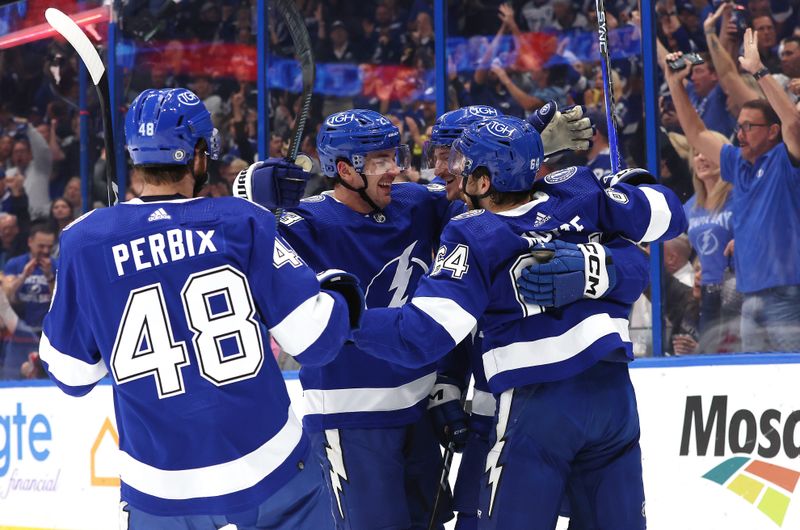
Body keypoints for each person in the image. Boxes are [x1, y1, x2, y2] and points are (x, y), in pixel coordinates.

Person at [38, 88, 364, 529]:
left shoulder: (85, 241)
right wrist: (339, 293)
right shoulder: (242, 220)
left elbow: (72, 377)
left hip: (159, 490)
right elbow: (315, 341)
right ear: (198, 155)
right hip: (270, 472)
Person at [351, 116, 687, 529]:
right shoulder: (577, 188)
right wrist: (631, 189)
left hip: (536, 405)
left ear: (484, 182)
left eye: (461, 162)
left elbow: (423, 332)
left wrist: (347, 319)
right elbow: (669, 215)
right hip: (613, 398)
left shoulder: (474, 231)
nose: (452, 170)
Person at [666, 29, 800, 352]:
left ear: (772, 132)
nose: (738, 133)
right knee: (757, 390)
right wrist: (675, 84)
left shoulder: (787, 159)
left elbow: (793, 124)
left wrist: (759, 71)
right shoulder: (737, 164)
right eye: (738, 125)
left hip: (788, 296)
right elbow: (697, 135)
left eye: (747, 127)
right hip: (747, 296)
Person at [683, 130, 737, 352]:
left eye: (707, 152)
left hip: (737, 289)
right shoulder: (691, 207)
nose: (701, 158)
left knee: (736, 355)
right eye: (696, 153)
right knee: (711, 355)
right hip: (707, 291)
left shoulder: (738, 195)